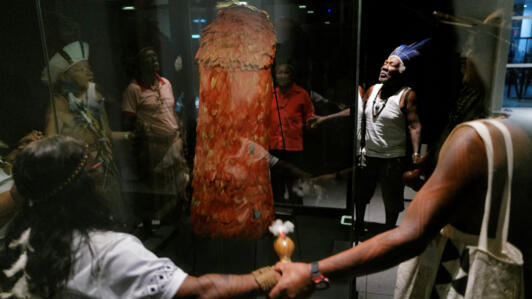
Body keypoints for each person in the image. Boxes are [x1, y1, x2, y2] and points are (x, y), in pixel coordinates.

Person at [269, 115, 532, 298]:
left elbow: (410, 236)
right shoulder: (518, 134)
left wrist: (313, 272)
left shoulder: (474, 139)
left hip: (458, 278)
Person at [0, 135, 280, 298]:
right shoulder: (110, 250)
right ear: (86, 187)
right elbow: (202, 291)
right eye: (95, 167)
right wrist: (270, 276)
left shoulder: (17, 237)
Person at [310, 40, 426, 230]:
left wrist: (415, 154)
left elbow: (414, 125)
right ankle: (359, 224)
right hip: (367, 155)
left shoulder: (406, 95)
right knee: (361, 195)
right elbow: (356, 111)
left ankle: (389, 231)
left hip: (391, 157)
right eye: (385, 63)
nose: (385, 67)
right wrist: (325, 119)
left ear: (401, 72)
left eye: (391, 65)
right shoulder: (373, 89)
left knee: (392, 199)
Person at [42, 40, 131, 225]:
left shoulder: (93, 98)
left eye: (89, 68)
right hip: (84, 179)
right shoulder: (57, 109)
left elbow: (105, 134)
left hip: (106, 171)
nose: (89, 73)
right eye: (82, 69)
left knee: (114, 220)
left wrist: (131, 135)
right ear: (65, 77)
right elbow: (50, 150)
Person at [122, 46, 189, 228]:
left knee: (179, 184)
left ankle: (178, 221)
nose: (155, 61)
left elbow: (173, 110)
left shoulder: (166, 83)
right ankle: (160, 224)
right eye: (149, 58)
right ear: (140, 64)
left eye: (155, 57)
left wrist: (179, 128)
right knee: (159, 188)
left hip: (174, 142)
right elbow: (129, 121)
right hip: (154, 148)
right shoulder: (133, 90)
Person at [270, 63, 315, 204]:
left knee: (295, 184)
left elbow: (310, 117)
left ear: (292, 75)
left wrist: (305, 125)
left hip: (294, 147)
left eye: (286, 72)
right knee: (276, 184)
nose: (282, 76)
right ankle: (277, 214)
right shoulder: (270, 94)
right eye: (279, 73)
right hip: (274, 146)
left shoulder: (302, 94)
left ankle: (296, 215)